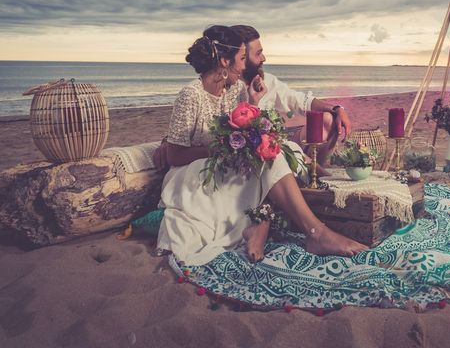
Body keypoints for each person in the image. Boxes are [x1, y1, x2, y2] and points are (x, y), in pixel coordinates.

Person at [157, 25, 367, 266]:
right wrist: (224, 149)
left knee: (271, 152)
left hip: (224, 165)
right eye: (242, 58)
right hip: (193, 175)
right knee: (269, 156)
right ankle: (314, 233)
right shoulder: (190, 96)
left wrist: (253, 105)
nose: (245, 66)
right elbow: (174, 154)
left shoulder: (235, 89)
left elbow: (244, 129)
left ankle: (306, 231)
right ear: (225, 61)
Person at [231, 24, 351, 166]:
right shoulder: (227, 88)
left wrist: (337, 109)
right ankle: (317, 175)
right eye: (258, 54)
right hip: (249, 153)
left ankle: (316, 173)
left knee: (327, 119)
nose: (264, 58)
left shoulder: (267, 80)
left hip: (280, 143)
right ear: (241, 57)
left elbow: (300, 101)